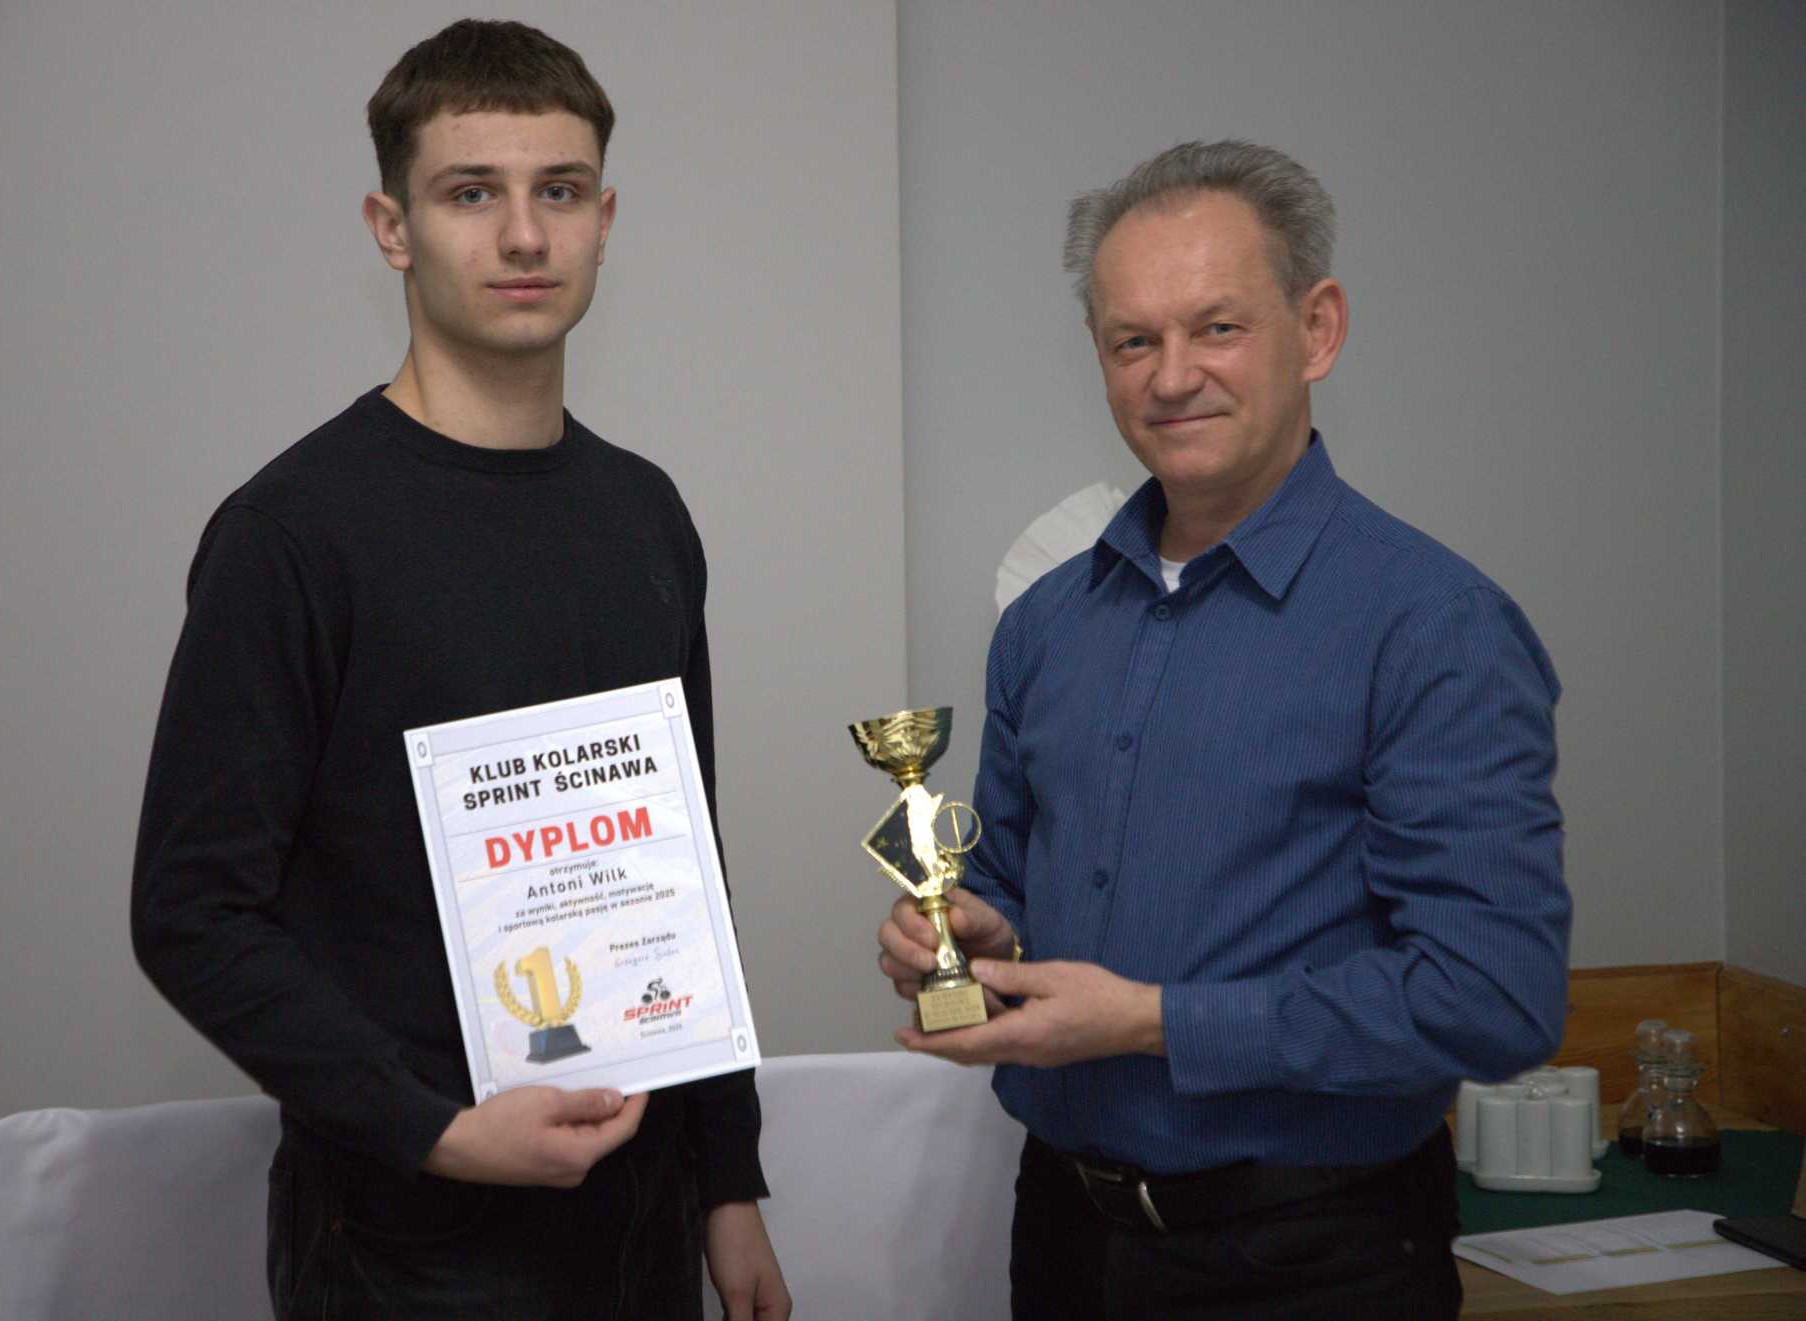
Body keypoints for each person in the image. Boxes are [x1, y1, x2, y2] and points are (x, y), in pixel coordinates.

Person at [131, 20, 789, 1320]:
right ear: (393, 227)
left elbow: (681, 867)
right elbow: (191, 913)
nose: (525, 236)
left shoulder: (644, 515)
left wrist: (727, 1182)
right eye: (472, 193)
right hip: (405, 1238)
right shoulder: (293, 534)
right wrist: (431, 1127)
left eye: (560, 191)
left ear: (605, 219)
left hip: (642, 1223)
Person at [878, 140, 1570, 1320]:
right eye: (1132, 341)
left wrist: (1154, 1023)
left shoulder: (1432, 626)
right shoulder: (1045, 625)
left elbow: (1491, 997)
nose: (1171, 376)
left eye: (1218, 328)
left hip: (1311, 1258)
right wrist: (975, 936)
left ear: (1318, 329)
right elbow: (1007, 884)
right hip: (1063, 1234)